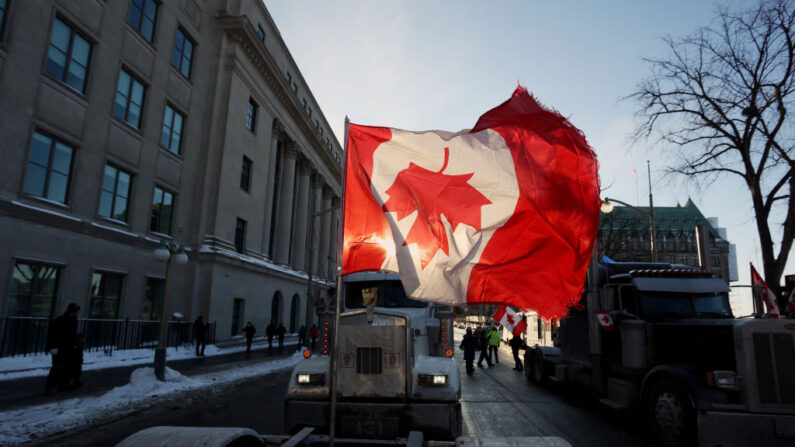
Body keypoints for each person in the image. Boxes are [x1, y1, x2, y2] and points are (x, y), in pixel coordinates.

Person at [44, 302, 80, 395]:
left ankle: (62, 385)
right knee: (57, 367)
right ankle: (52, 387)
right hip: (61, 347)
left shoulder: (72, 319)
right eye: (76, 311)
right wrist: (52, 346)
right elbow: (53, 334)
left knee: (66, 367)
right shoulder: (61, 321)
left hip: (67, 347)